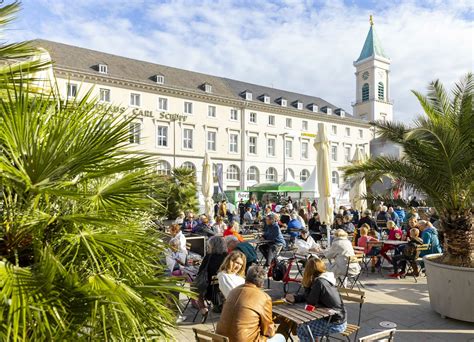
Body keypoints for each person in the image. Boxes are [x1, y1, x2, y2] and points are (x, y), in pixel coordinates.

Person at [216, 266, 285, 342]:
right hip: (244, 340)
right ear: (262, 283)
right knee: (280, 337)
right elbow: (268, 331)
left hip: (220, 339)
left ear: (246, 277)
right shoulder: (264, 297)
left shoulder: (233, 291)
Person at [284, 258, 347, 339]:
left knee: (302, 330)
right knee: (304, 326)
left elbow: (310, 302)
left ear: (309, 270)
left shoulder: (319, 282)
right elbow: (312, 297)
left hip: (334, 323)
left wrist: (306, 285)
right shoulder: (325, 278)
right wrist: (295, 298)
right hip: (338, 318)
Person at [194, 236, 228, 316]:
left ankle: (203, 308)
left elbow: (200, 272)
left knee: (195, 287)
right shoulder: (227, 256)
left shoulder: (209, 257)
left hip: (210, 291)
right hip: (225, 289)